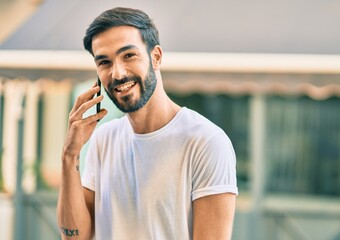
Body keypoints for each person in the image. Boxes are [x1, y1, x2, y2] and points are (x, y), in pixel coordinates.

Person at [57, 7, 238, 240]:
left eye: (129, 55)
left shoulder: (206, 142)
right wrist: (69, 155)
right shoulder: (104, 139)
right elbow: (74, 237)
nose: (117, 73)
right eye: (104, 62)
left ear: (156, 57)